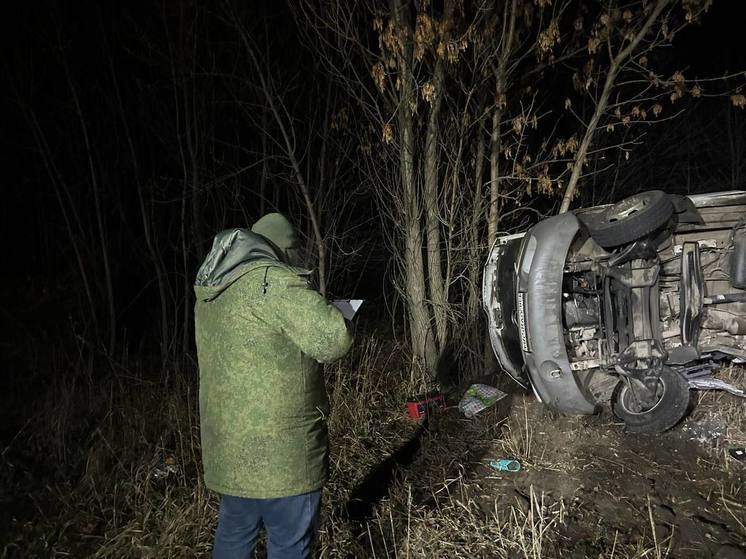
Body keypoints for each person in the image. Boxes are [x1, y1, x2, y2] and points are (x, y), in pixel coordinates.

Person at [194, 213, 353, 559]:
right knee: (290, 544)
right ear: (284, 250)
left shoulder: (215, 290)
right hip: (282, 457)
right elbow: (333, 338)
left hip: (231, 452)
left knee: (234, 536)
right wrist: (338, 312)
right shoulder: (274, 282)